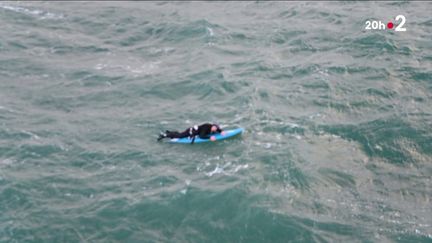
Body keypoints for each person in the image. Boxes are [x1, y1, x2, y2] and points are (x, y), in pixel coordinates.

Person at [158, 123, 225, 144]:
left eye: (216, 128)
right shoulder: (206, 128)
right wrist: (210, 137)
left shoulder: (214, 127)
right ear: (212, 126)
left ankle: (171, 132)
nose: (215, 129)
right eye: (214, 128)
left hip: (195, 131)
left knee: (180, 134)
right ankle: (164, 135)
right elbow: (201, 136)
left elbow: (218, 129)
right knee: (180, 136)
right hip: (191, 131)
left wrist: (221, 131)